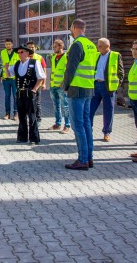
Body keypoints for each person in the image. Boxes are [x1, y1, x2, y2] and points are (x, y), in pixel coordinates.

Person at [62, 19, 97, 170]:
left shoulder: (77, 44)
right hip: (88, 88)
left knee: (78, 126)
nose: (70, 30)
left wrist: (66, 86)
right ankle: (89, 158)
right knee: (86, 124)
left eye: (71, 28)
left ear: (74, 28)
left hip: (76, 89)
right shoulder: (91, 45)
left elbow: (71, 68)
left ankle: (82, 160)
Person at [89, 38, 124, 142]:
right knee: (89, 110)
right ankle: (88, 131)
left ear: (107, 46)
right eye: (98, 45)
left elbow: (121, 73)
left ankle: (107, 132)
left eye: (100, 46)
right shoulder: (96, 55)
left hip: (107, 87)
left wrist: (116, 85)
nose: (98, 47)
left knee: (108, 110)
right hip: (95, 85)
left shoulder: (115, 55)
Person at [9, 44, 45, 144]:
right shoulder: (17, 64)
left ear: (28, 53)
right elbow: (9, 73)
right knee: (21, 115)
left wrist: (34, 89)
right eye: (18, 52)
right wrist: (6, 66)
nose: (19, 54)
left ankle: (34, 138)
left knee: (32, 115)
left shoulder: (35, 62)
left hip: (30, 92)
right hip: (20, 93)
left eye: (22, 52)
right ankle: (22, 137)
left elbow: (41, 77)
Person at [49, 39, 71, 133]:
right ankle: (58, 124)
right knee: (56, 106)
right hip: (53, 85)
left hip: (62, 86)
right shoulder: (54, 57)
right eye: (53, 47)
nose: (54, 48)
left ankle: (67, 125)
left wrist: (65, 83)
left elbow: (68, 71)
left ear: (61, 47)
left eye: (55, 46)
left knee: (65, 106)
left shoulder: (66, 57)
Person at [26, 41, 46, 122]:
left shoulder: (39, 58)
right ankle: (31, 118)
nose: (31, 48)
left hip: (37, 84)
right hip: (27, 84)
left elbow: (44, 72)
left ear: (35, 48)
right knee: (28, 102)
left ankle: (38, 119)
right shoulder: (25, 57)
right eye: (29, 47)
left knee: (37, 102)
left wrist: (44, 83)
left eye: (32, 47)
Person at [1, 38, 19, 121]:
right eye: (6, 44)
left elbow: (19, 65)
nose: (8, 45)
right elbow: (1, 65)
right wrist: (1, 75)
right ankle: (7, 113)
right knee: (7, 96)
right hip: (6, 78)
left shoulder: (16, 53)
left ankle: (16, 114)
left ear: (12, 44)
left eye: (9, 44)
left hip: (14, 78)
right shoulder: (2, 52)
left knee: (16, 96)